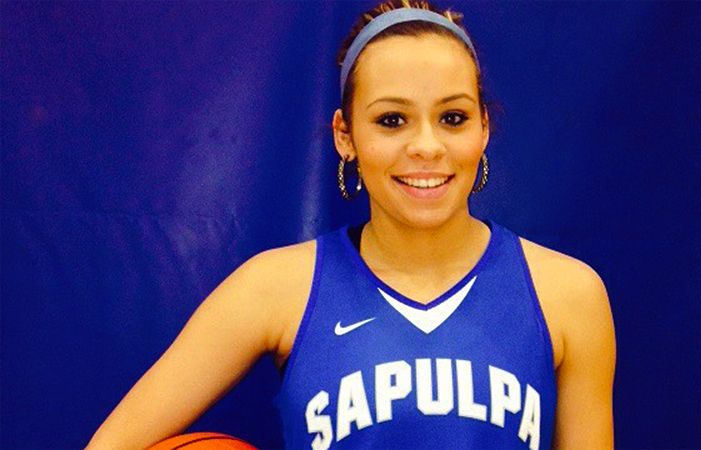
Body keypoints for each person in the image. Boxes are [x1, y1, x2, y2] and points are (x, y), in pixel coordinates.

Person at [87, 1, 616, 449]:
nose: (426, 146)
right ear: (346, 136)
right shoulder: (275, 288)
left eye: (452, 117)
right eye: (392, 120)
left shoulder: (568, 294)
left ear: (484, 128)